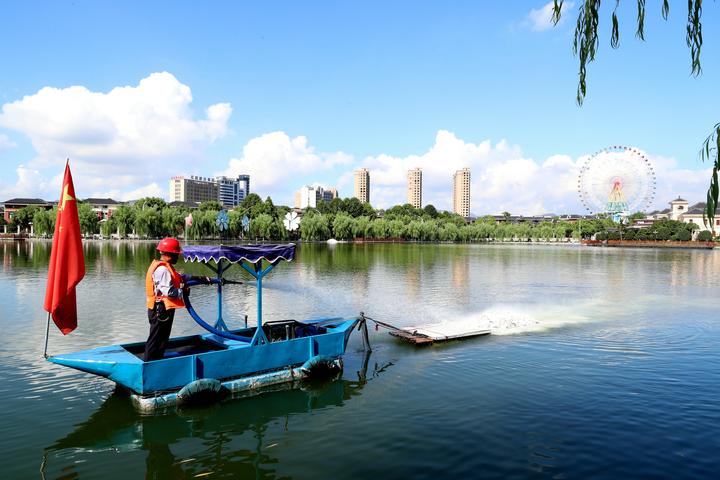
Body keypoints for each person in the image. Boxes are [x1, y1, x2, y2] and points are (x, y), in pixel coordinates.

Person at [144, 237, 211, 362]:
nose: (177, 257)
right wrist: (183, 291)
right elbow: (169, 292)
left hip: (162, 309)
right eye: (175, 255)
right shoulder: (163, 270)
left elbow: (181, 277)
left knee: (162, 339)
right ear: (168, 254)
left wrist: (201, 278)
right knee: (156, 339)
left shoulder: (166, 267)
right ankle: (149, 364)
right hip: (160, 310)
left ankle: (157, 361)